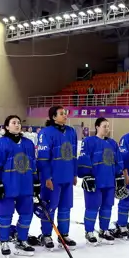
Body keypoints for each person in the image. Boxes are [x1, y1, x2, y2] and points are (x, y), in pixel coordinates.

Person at [0, 115, 37, 258]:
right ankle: (4, 241)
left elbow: (33, 164)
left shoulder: (28, 144)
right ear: (7, 127)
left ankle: (22, 240)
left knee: (27, 214)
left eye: (19, 122)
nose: (17, 125)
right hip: (7, 186)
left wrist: (36, 181)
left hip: (25, 185)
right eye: (13, 123)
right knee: (5, 215)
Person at [36, 106, 78, 249]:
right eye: (61, 113)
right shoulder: (46, 133)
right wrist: (47, 177)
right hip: (53, 178)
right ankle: (46, 235)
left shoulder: (71, 131)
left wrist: (74, 173)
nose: (65, 115)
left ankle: (63, 234)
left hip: (67, 176)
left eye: (65, 113)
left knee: (65, 207)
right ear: (53, 117)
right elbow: (43, 158)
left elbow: (74, 154)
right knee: (50, 207)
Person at [78, 117, 124, 245]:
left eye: (108, 126)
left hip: (109, 181)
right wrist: (87, 175)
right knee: (92, 207)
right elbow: (84, 158)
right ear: (97, 127)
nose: (107, 129)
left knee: (107, 207)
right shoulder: (88, 141)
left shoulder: (113, 143)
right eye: (104, 126)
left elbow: (118, 161)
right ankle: (89, 232)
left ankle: (104, 230)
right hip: (94, 181)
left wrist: (119, 176)